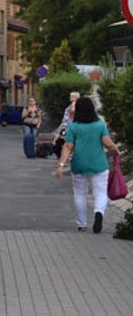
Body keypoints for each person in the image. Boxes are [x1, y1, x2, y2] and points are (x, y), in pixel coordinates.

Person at [55, 96, 120, 233]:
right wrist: (115, 149)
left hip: (79, 164)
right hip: (99, 164)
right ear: (92, 108)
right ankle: (98, 213)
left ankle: (81, 224)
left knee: (80, 193)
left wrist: (61, 165)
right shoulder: (100, 124)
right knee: (101, 192)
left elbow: (67, 147)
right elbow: (107, 143)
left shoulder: (74, 126)